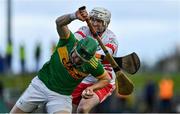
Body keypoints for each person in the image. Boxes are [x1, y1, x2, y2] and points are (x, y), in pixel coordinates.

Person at [10, 7, 111, 113]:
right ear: (75, 47)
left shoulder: (92, 63)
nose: (76, 60)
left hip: (61, 97)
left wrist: (92, 88)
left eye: (81, 60)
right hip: (40, 86)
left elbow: (106, 79)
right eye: (76, 55)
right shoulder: (69, 41)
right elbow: (59, 23)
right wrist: (73, 16)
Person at [72, 7, 119, 113]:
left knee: (83, 109)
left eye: (98, 21)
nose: (93, 23)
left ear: (106, 23)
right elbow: (73, 42)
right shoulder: (84, 30)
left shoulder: (111, 39)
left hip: (103, 81)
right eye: (92, 19)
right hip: (83, 78)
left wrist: (83, 52)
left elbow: (101, 55)